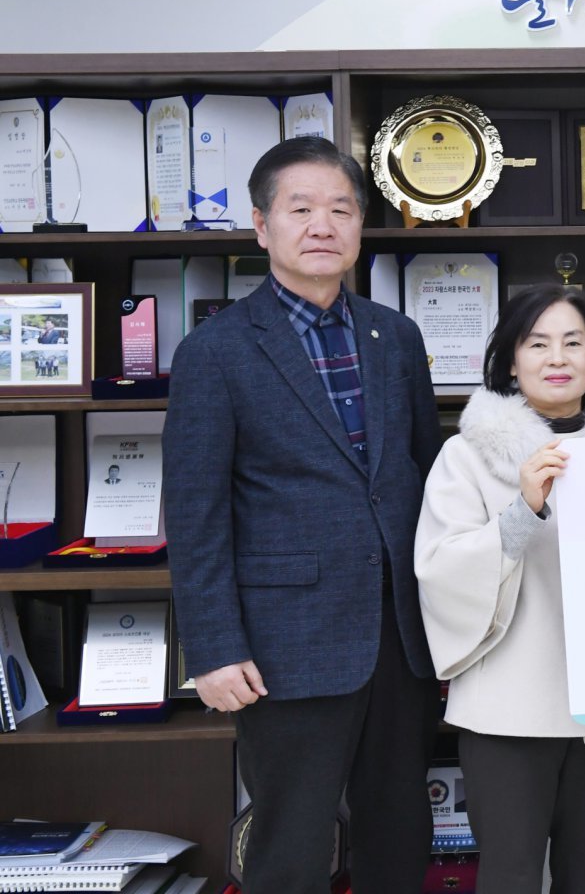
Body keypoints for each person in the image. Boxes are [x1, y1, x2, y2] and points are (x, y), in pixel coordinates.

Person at [164, 136, 442, 894]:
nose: (323, 225)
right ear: (262, 226)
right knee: (290, 843)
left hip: (400, 637)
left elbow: (423, 479)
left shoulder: (396, 337)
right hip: (285, 645)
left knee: (399, 834)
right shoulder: (215, 351)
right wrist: (213, 649)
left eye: (341, 210)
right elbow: (195, 513)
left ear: (360, 226)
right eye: (301, 209)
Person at [414, 285, 585, 893]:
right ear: (511, 360)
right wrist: (523, 511)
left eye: (574, 342)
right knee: (510, 877)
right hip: (507, 710)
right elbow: (439, 571)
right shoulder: (466, 456)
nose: (557, 358)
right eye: (537, 343)